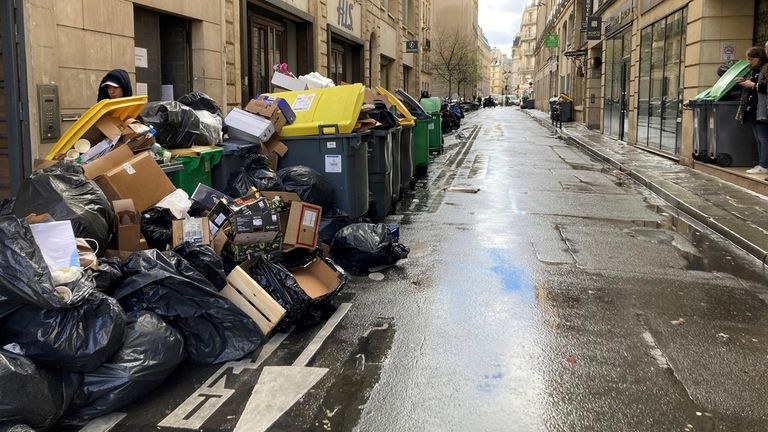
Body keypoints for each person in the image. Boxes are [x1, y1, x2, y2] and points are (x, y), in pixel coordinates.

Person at [735, 46, 768, 174]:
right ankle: (761, 163)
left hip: (762, 108)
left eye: (751, 59)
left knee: (763, 138)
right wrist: (744, 82)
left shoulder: (765, 68)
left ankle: (764, 165)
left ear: (758, 57)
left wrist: (753, 84)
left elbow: (765, 87)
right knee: (759, 138)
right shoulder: (755, 70)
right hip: (753, 108)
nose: (749, 62)